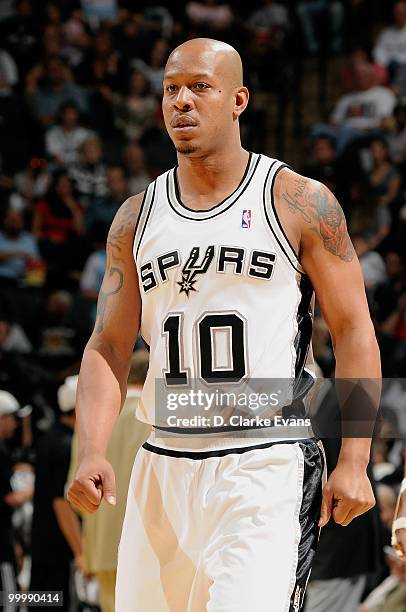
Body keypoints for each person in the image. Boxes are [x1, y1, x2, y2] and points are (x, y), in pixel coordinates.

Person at [68, 38, 380, 611]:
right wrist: (92, 449)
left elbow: (355, 329)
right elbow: (108, 344)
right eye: (171, 90)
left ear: (238, 100)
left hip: (265, 458)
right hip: (162, 459)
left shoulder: (298, 201)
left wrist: (355, 459)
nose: (181, 101)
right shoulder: (134, 217)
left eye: (199, 87)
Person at [66, 350, 151, 612]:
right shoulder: (161, 417)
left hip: (102, 548)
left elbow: (76, 497)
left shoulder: (90, 426)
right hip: (150, 548)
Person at [30, 376, 79, 611]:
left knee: (39, 599)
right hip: (59, 547)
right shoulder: (66, 444)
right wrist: (80, 552)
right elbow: (61, 503)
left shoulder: (49, 437)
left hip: (42, 541)